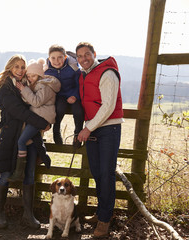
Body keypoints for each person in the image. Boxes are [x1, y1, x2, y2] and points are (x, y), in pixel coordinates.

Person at [0, 54, 50, 229]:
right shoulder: (6, 88)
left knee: (30, 173)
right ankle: (0, 214)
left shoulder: (25, 85)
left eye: (22, 67)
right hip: (11, 136)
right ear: (10, 67)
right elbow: (19, 111)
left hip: (30, 136)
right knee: (5, 173)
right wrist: (42, 123)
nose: (20, 70)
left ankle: (28, 215)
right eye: (16, 66)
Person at [75, 42, 124, 238]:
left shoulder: (107, 73)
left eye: (87, 54)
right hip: (94, 127)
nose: (84, 58)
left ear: (94, 54)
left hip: (109, 128)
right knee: (96, 172)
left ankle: (105, 220)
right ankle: (101, 212)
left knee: (106, 173)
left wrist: (87, 128)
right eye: (80, 56)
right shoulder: (84, 74)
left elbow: (108, 106)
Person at [8, 58, 61, 182]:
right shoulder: (36, 85)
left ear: (39, 75)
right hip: (37, 116)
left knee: (21, 141)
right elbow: (30, 99)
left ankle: (19, 172)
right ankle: (43, 157)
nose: (30, 78)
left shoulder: (45, 87)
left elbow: (36, 102)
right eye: (29, 75)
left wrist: (23, 90)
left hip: (41, 117)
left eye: (33, 75)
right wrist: (24, 92)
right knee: (34, 140)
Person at [44, 44, 84, 147]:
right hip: (59, 96)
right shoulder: (47, 70)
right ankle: (56, 130)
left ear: (65, 57)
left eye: (60, 57)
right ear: (49, 58)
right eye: (53, 58)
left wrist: (75, 96)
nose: (56, 61)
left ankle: (77, 135)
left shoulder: (73, 67)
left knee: (78, 111)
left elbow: (79, 84)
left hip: (73, 94)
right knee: (59, 109)